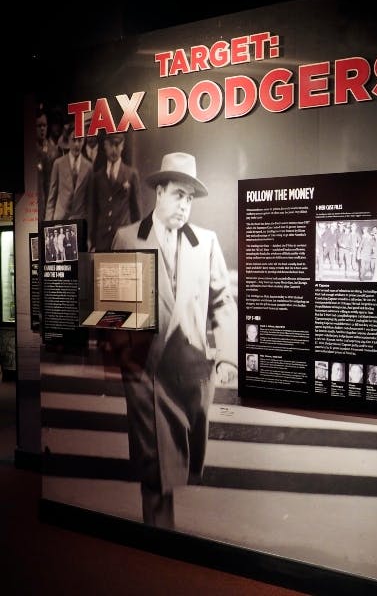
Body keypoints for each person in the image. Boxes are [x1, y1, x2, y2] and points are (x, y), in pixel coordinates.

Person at [111, 151, 238, 529]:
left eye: (190, 198)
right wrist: (127, 357)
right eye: (179, 195)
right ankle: (160, 538)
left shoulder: (207, 243)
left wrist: (228, 356)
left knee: (184, 458)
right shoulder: (128, 238)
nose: (185, 206)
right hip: (148, 372)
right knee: (155, 467)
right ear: (160, 192)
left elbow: (222, 301)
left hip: (191, 370)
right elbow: (112, 309)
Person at [88, 132, 141, 251]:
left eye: (117, 145)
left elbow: (136, 212)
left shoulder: (131, 174)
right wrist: (91, 240)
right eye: (110, 145)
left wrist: (138, 240)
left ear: (122, 146)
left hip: (123, 240)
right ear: (104, 146)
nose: (114, 150)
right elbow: (93, 211)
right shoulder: (97, 177)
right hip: (102, 240)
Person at [46, 123, 92, 221]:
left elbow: (89, 200)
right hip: (60, 220)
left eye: (80, 140)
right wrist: (48, 224)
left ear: (84, 141)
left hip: (80, 221)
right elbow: (51, 198)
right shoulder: (58, 164)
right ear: (68, 141)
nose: (76, 144)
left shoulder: (89, 167)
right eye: (74, 140)